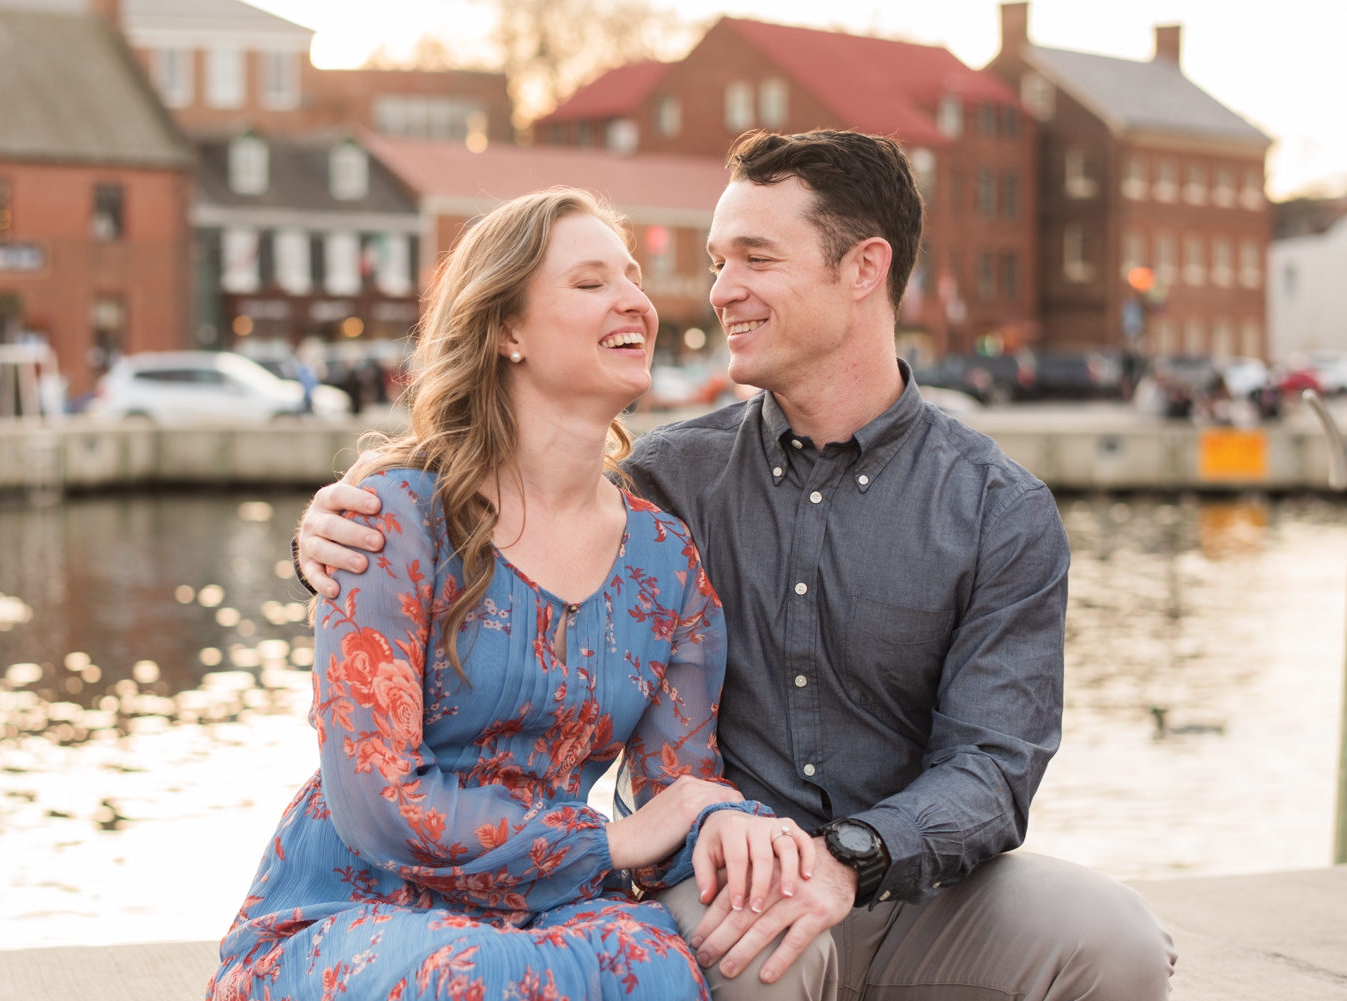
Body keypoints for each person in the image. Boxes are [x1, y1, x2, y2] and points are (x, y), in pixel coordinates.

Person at [295, 131, 1177, 1000]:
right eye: (717, 261)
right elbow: (500, 511)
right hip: (730, 873)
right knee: (754, 949)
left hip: (914, 877)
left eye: (754, 258)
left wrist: (850, 859)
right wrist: (323, 545)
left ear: (863, 268)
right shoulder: (668, 482)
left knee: (1121, 944)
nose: (719, 292)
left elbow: (992, 766)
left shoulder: (996, 509)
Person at [210, 187, 820, 1001]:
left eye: (633, 278)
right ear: (508, 330)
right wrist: (611, 841)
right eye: (590, 281)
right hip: (354, 905)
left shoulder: (665, 560)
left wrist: (723, 821)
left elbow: (677, 793)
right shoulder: (395, 517)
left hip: (547, 908)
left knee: (659, 968)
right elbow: (377, 803)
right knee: (471, 974)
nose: (634, 299)